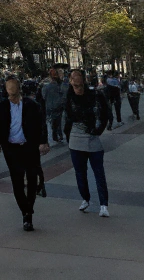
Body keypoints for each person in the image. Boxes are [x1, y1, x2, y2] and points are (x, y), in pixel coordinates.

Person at [0, 75, 50, 231]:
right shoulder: (2, 106)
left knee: (32, 179)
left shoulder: (31, 105)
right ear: (5, 89)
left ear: (19, 87)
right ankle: (26, 211)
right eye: (8, 87)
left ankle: (29, 208)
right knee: (17, 181)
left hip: (29, 146)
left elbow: (41, 123)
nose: (11, 90)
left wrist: (43, 141)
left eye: (13, 86)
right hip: (12, 148)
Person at [65, 67, 111, 216]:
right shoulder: (69, 96)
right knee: (80, 173)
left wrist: (99, 129)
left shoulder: (95, 95)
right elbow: (67, 119)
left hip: (93, 138)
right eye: (73, 81)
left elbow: (105, 113)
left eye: (78, 80)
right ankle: (86, 198)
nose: (76, 85)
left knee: (99, 173)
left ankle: (103, 205)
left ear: (83, 80)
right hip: (75, 140)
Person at [38, 66, 68, 145]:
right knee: (58, 121)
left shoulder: (45, 86)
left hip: (49, 106)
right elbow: (64, 95)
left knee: (52, 122)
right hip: (58, 106)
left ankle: (55, 135)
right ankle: (59, 135)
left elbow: (43, 96)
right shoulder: (61, 86)